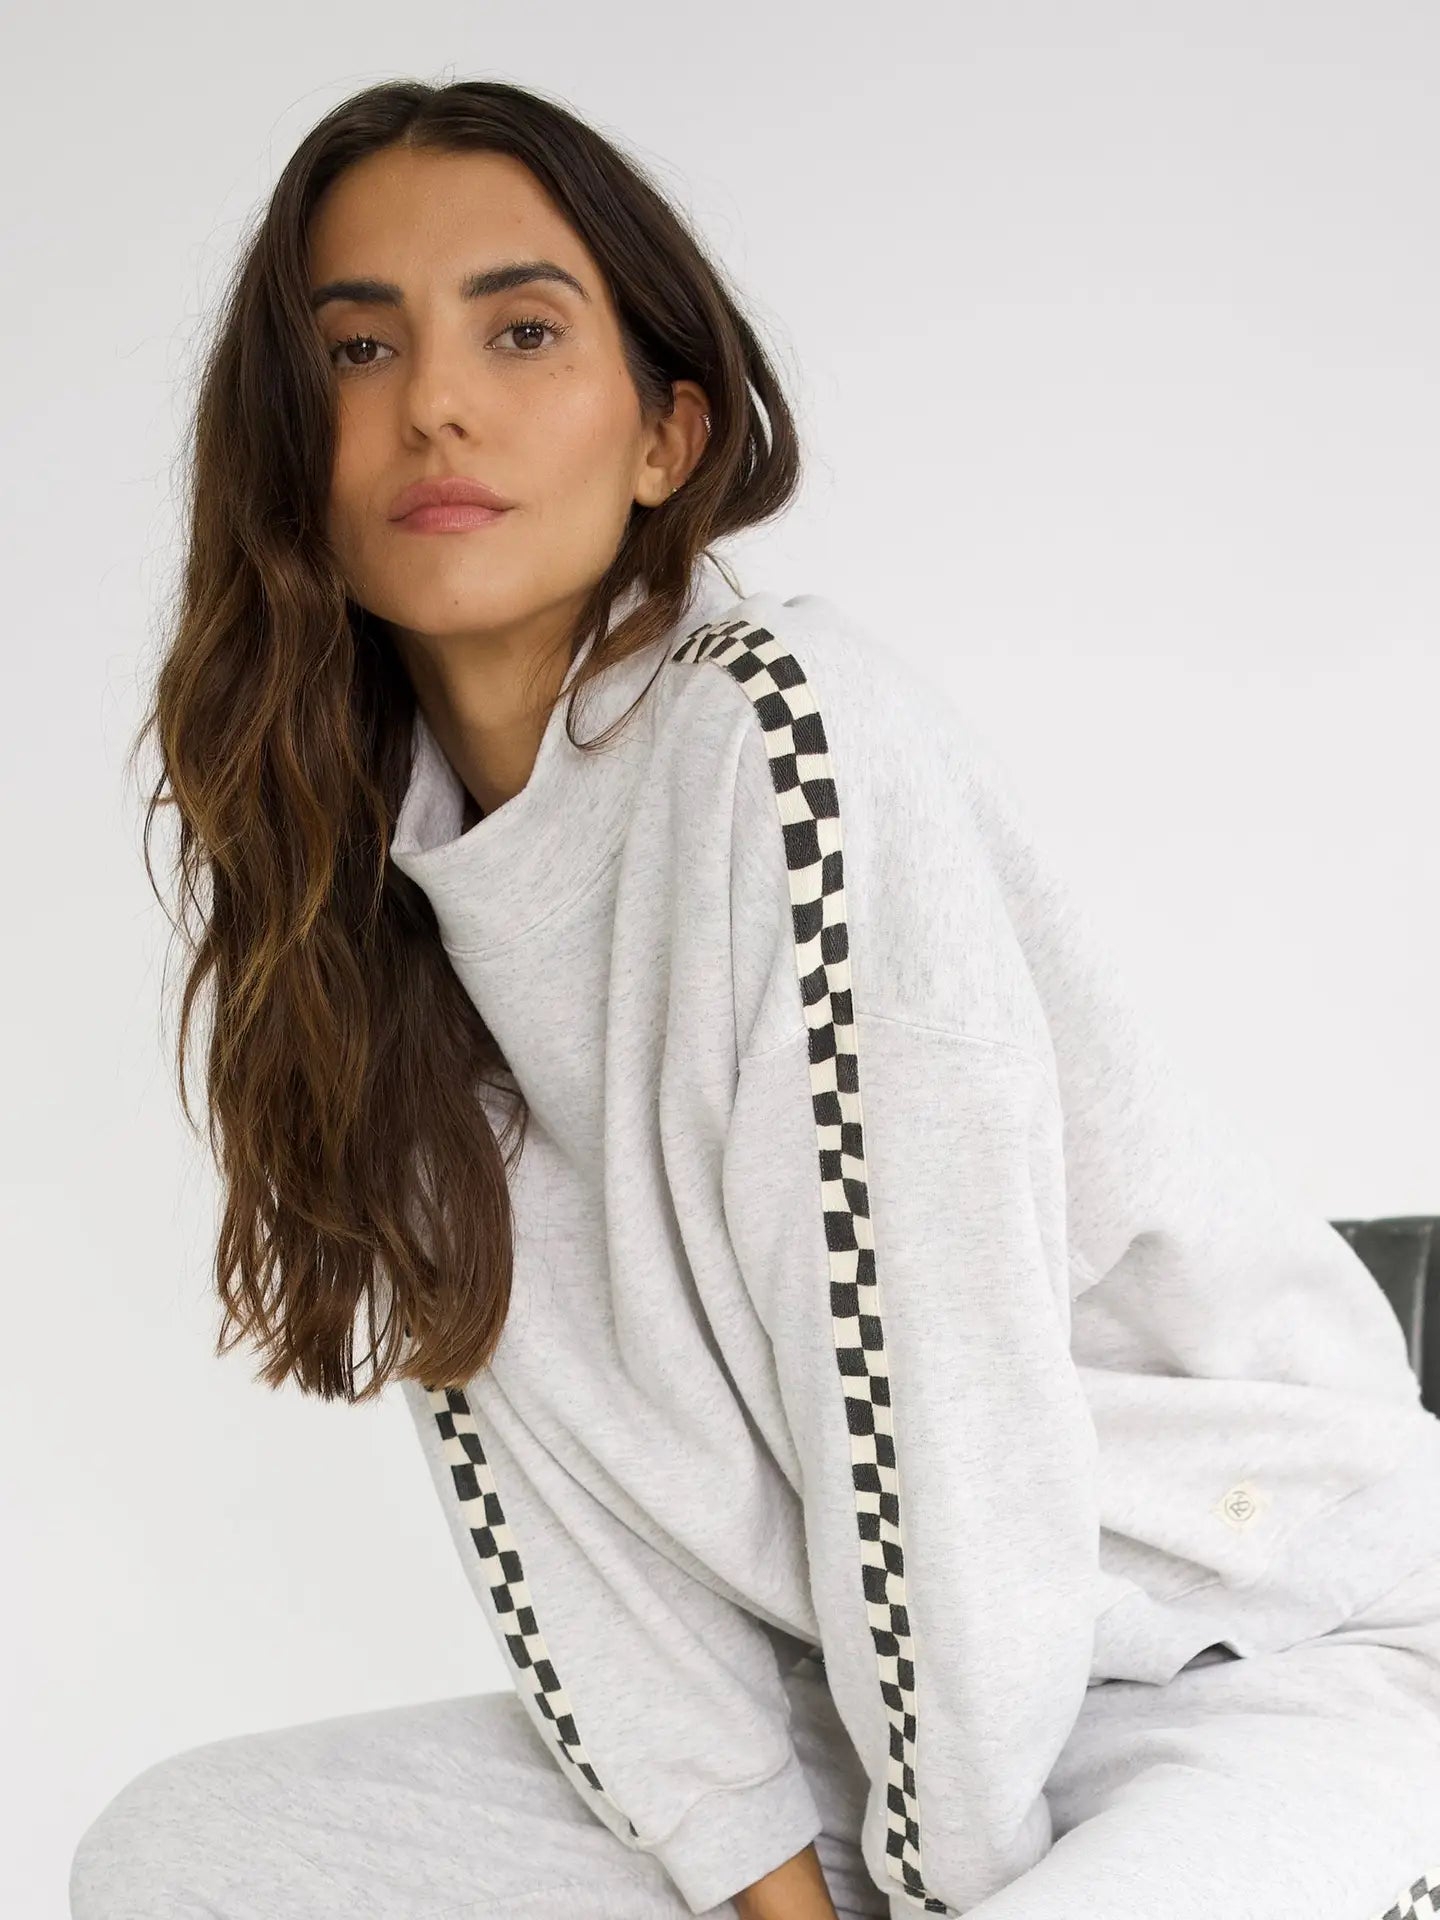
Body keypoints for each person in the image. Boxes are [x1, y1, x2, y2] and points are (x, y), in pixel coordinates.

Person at [72, 75, 1440, 1920]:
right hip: (856, 1709)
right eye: (357, 350)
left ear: (667, 434)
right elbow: (548, 1513)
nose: (436, 403)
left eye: (522, 331)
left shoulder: (783, 746)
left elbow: (930, 1419)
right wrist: (762, 1884)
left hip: (1261, 1652)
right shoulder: (362, 887)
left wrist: (945, 1880)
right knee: (185, 1855)